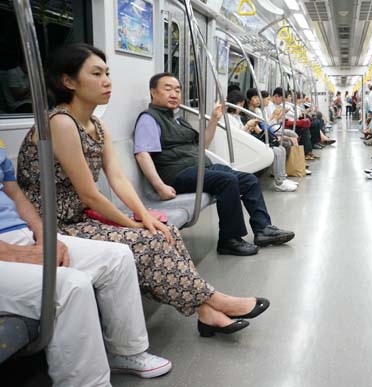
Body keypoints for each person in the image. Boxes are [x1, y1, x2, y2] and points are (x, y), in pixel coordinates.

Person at [17, 43, 269, 339]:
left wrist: (145, 216)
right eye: (96, 74)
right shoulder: (59, 123)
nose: (107, 81)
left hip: (79, 218)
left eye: (107, 73)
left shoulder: (96, 125)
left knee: (165, 231)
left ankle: (207, 312)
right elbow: (89, 193)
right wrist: (134, 223)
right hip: (51, 225)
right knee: (148, 239)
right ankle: (213, 301)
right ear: (68, 81)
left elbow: (118, 179)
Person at [0, 137, 171, 386]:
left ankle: (126, 352)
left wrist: (44, 236)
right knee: (71, 285)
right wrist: (15, 254)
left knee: (118, 257)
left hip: (19, 234)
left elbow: (12, 192)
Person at [134, 72, 295, 256]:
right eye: (167, 89)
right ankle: (229, 239)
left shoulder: (177, 119)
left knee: (248, 179)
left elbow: (202, 146)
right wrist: (160, 186)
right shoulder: (149, 119)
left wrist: (213, 121)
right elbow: (143, 154)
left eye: (177, 90)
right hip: (176, 173)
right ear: (153, 92)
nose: (174, 94)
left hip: (200, 167)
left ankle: (263, 228)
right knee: (226, 180)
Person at [227, 90, 296, 192]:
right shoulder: (229, 118)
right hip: (243, 146)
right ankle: (280, 183)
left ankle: (282, 178)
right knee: (278, 150)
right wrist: (248, 126)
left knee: (281, 149)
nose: (240, 108)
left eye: (242, 105)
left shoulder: (238, 117)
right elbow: (236, 137)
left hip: (249, 142)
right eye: (239, 105)